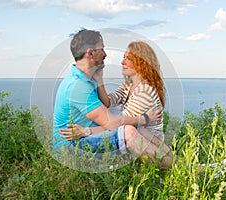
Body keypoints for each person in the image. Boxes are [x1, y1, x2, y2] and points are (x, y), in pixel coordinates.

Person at [53, 29, 172, 169]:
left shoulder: (87, 80)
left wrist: (99, 80)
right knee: (129, 129)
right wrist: (144, 119)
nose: (105, 54)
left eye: (128, 58)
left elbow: (109, 108)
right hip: (71, 146)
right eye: (102, 49)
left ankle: (175, 164)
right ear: (90, 53)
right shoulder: (78, 86)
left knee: (128, 122)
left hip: (84, 136)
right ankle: (179, 168)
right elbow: (112, 121)